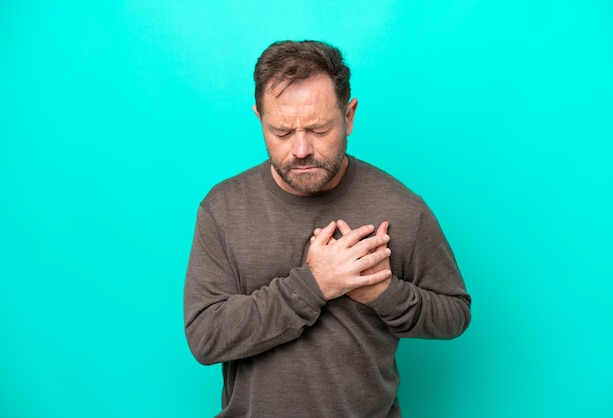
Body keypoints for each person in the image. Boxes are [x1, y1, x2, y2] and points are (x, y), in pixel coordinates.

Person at [184, 40, 471, 417]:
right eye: (282, 132)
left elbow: (455, 314)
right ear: (259, 119)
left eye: (319, 129)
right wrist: (313, 285)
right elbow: (206, 337)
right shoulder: (222, 209)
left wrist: (384, 293)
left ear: (349, 116)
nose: (301, 149)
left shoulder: (402, 208)